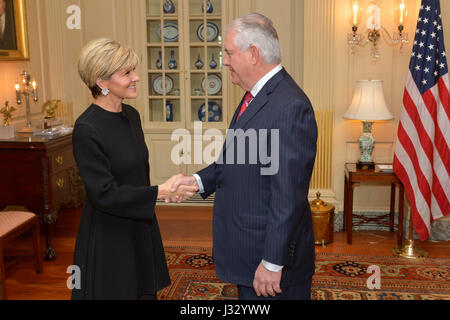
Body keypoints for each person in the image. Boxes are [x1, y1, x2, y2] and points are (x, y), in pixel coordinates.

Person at [171, 13, 318, 300]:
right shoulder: (258, 95)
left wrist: (273, 263)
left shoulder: (289, 106)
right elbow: (239, 156)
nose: (224, 60)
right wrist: (197, 181)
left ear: (253, 54)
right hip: (249, 251)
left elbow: (288, 194)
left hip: (270, 263)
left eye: (228, 52)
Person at [72, 38, 198, 299]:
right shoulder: (87, 129)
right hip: (110, 235)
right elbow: (103, 193)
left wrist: (161, 193)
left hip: (140, 225)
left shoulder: (132, 116)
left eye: (133, 70)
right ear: (101, 81)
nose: (137, 77)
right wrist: (159, 192)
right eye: (127, 72)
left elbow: (137, 175)